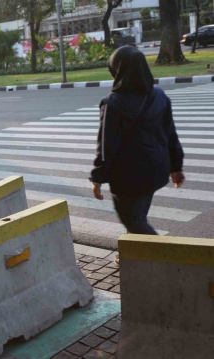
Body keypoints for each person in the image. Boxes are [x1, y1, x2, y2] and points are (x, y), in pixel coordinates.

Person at [90, 46, 185, 263]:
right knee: (138, 214)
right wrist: (176, 167)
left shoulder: (112, 104)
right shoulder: (159, 95)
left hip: (129, 177)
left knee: (132, 218)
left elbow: (106, 147)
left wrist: (97, 178)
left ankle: (171, 257)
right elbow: (170, 133)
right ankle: (133, 255)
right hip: (156, 171)